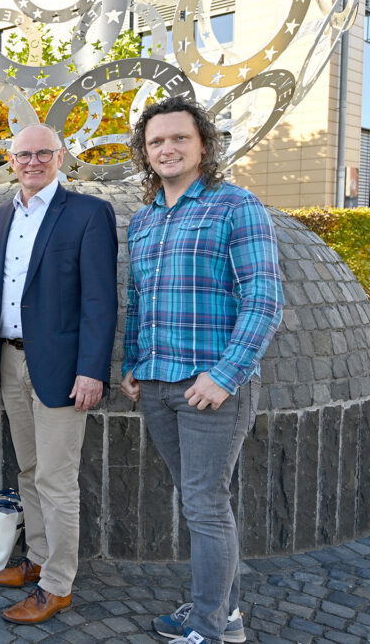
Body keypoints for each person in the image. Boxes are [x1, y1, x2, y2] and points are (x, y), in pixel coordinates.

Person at [122, 97, 283, 644]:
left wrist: (225, 374)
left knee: (205, 505)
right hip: (159, 385)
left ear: (204, 145)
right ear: (146, 154)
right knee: (204, 501)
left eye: (179, 138)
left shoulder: (236, 206)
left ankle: (212, 629)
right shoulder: (144, 221)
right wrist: (132, 365)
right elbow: (138, 301)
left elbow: (263, 299)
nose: (167, 148)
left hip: (212, 388)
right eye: (156, 141)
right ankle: (226, 613)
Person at [0, 123, 118, 624]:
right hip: (12, 360)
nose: (32, 162)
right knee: (29, 471)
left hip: (63, 369)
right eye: (23, 154)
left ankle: (59, 585)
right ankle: (37, 560)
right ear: (10, 160)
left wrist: (92, 370)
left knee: (58, 481)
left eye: (43, 153)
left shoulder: (88, 213)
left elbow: (101, 300)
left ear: (60, 157)